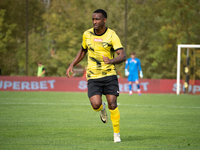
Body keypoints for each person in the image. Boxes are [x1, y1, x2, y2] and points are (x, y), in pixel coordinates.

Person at [66, 9, 126, 143]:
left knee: (113, 104)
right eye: (93, 19)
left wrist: (111, 60)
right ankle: (101, 108)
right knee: (95, 105)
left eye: (97, 19)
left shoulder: (112, 35)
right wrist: (72, 64)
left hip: (109, 75)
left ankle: (116, 135)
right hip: (93, 76)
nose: (94, 22)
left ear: (104, 20)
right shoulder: (87, 34)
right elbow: (82, 50)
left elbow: (122, 56)